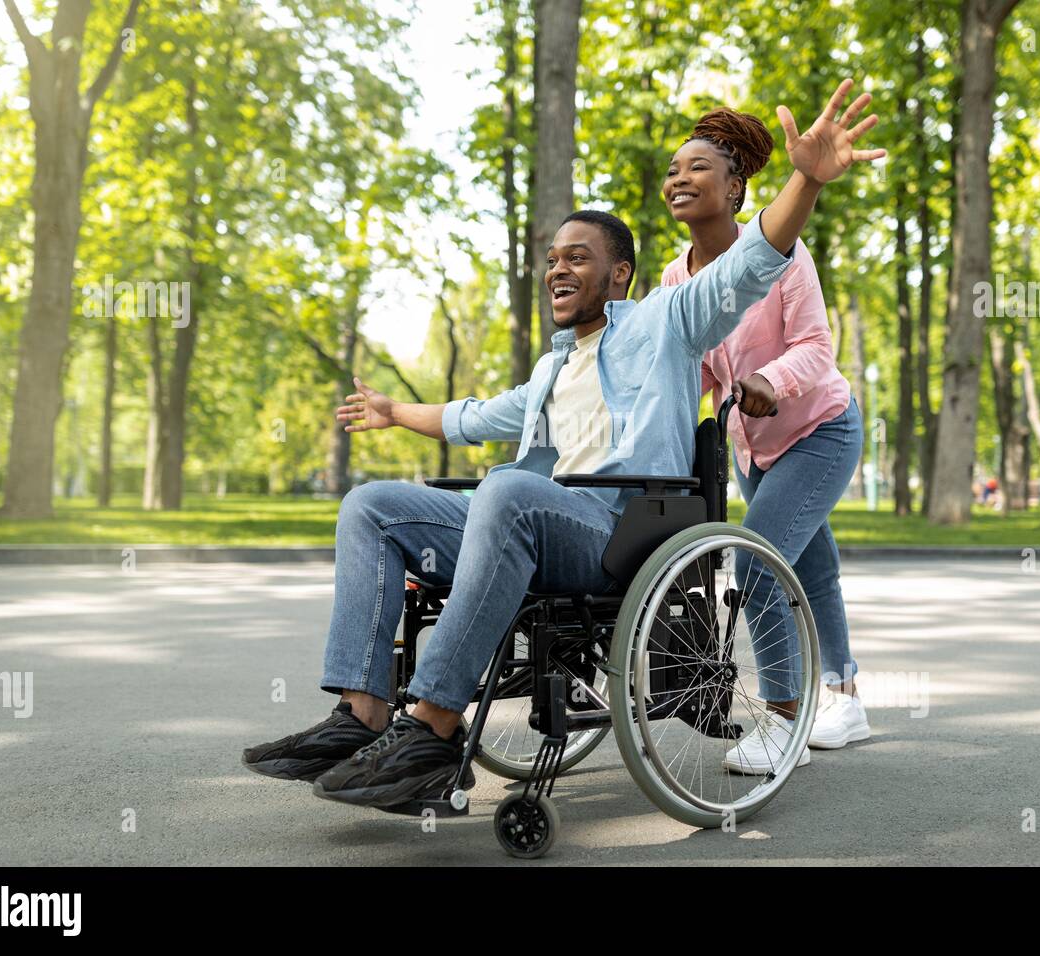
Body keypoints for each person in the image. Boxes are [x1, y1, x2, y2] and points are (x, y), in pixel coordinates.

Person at [241, 80, 885, 809]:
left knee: (509, 491)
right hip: (533, 516)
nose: (558, 269)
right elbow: (476, 415)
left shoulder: (665, 318)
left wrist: (805, 178)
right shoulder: (554, 367)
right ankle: (359, 713)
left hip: (616, 531)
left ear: (619, 276)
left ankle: (435, 728)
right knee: (372, 506)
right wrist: (395, 409)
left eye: (577, 257)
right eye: (552, 258)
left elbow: (753, 262)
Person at [659, 107, 869, 772]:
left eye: (698, 167)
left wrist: (768, 379)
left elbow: (817, 348)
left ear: (735, 188)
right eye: (673, 169)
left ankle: (783, 720)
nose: (679, 178)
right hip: (753, 449)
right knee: (813, 569)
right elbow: (684, 371)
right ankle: (845, 697)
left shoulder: (784, 249)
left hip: (822, 430)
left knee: (754, 564)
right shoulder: (674, 278)